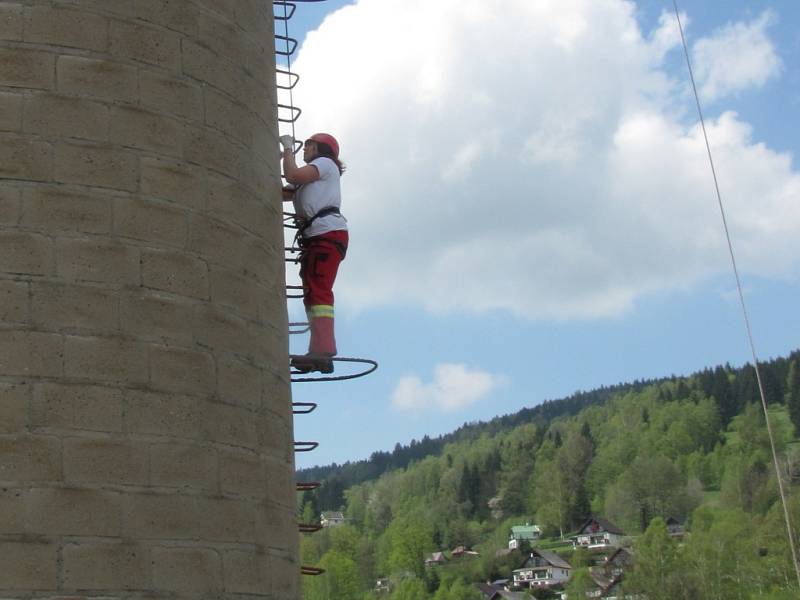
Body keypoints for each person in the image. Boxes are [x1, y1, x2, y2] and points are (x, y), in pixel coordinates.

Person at [280, 133, 348, 374]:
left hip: (327, 234)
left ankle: (324, 350)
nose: (305, 148)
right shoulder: (310, 176)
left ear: (322, 149)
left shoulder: (325, 164)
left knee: (318, 289)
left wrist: (288, 150)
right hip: (318, 237)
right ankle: (318, 352)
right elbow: (285, 191)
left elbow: (292, 175)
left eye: (310, 145)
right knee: (312, 292)